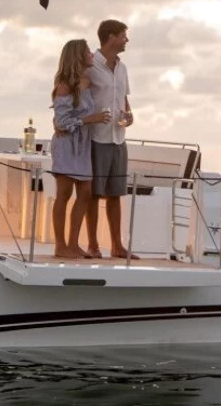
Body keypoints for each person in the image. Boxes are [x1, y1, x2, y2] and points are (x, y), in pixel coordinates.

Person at [50, 39, 111, 259]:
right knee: (64, 194)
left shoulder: (86, 81)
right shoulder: (65, 85)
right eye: (87, 51)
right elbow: (62, 123)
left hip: (83, 147)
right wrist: (90, 119)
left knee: (85, 193)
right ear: (77, 55)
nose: (91, 53)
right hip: (67, 145)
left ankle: (74, 244)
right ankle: (60, 245)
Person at [85, 19, 137, 260]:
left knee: (116, 194)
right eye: (123, 35)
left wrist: (129, 116)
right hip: (97, 138)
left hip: (119, 139)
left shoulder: (123, 67)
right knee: (94, 194)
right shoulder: (90, 65)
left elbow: (124, 101)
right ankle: (93, 246)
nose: (126, 40)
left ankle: (117, 246)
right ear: (110, 37)